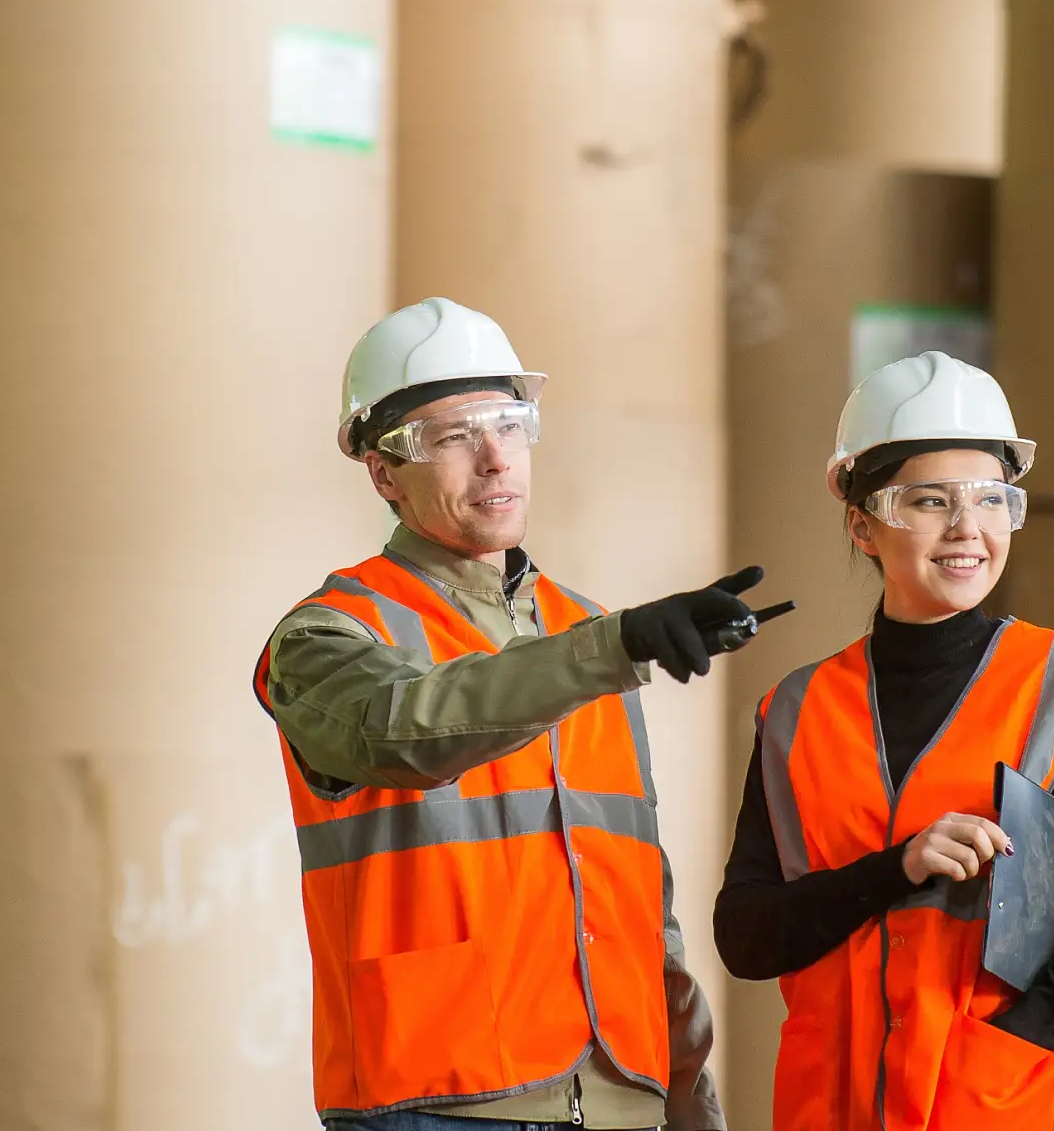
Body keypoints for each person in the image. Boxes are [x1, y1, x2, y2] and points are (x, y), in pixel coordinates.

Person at [256, 297, 777, 1131]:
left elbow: (639, 895)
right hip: (439, 1096)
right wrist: (615, 646)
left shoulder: (589, 628)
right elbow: (404, 730)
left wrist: (688, 1093)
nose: (495, 459)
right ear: (384, 472)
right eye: (453, 436)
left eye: (508, 422)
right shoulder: (330, 633)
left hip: (619, 1094)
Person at [713, 351, 1054, 1131]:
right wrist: (896, 868)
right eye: (931, 500)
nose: (968, 528)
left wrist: (1002, 1049)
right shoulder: (796, 712)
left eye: (992, 499)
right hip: (832, 1109)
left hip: (1002, 1106)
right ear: (863, 523)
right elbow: (748, 937)